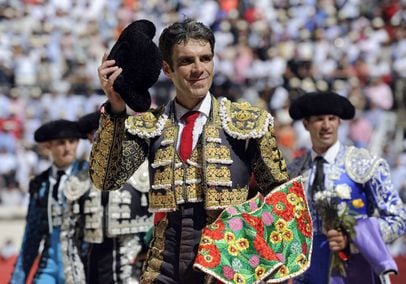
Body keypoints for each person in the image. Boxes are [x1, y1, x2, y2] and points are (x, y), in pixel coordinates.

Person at [90, 19, 291, 283]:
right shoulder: (151, 126)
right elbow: (106, 179)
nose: (199, 69)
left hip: (229, 269)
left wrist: (264, 262)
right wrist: (116, 109)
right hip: (164, 268)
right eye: (186, 61)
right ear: (167, 68)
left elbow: (281, 198)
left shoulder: (247, 123)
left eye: (205, 58)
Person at [287, 91, 406, 284]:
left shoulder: (364, 163)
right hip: (309, 275)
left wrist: (354, 238)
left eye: (332, 119)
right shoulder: (294, 171)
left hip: (356, 271)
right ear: (305, 124)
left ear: (339, 122)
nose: (326, 126)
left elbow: (399, 220)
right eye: (319, 119)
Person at [61, 111, 153, 284]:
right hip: (94, 270)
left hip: (136, 270)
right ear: (90, 138)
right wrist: (75, 279)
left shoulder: (145, 173)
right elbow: (69, 237)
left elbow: (162, 220)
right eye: (98, 133)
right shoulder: (79, 181)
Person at [10, 119, 87, 283]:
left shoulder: (89, 176)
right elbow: (32, 234)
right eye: (61, 143)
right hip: (50, 263)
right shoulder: (40, 183)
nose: (67, 148)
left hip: (81, 261)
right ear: (48, 147)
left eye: (72, 142)